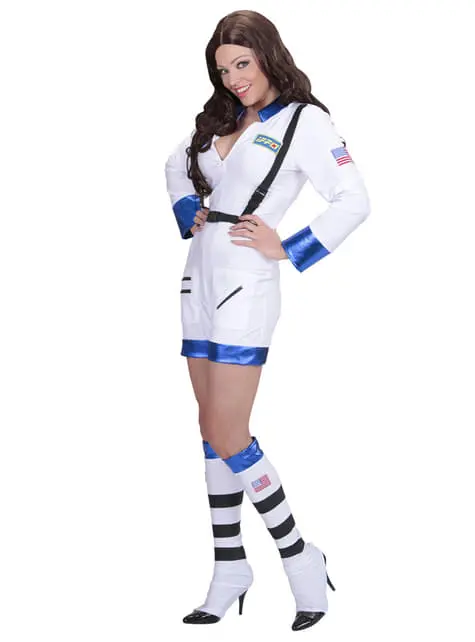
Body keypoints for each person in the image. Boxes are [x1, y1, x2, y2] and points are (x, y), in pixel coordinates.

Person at [164, 9, 370, 632]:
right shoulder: (224, 118)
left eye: (242, 64)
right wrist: (187, 207)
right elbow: (175, 164)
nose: (232, 78)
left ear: (266, 55)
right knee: (211, 430)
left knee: (228, 431)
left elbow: (354, 199)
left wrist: (291, 246)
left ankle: (299, 556)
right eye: (223, 69)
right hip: (198, 279)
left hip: (246, 288)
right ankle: (230, 567)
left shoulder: (305, 121)